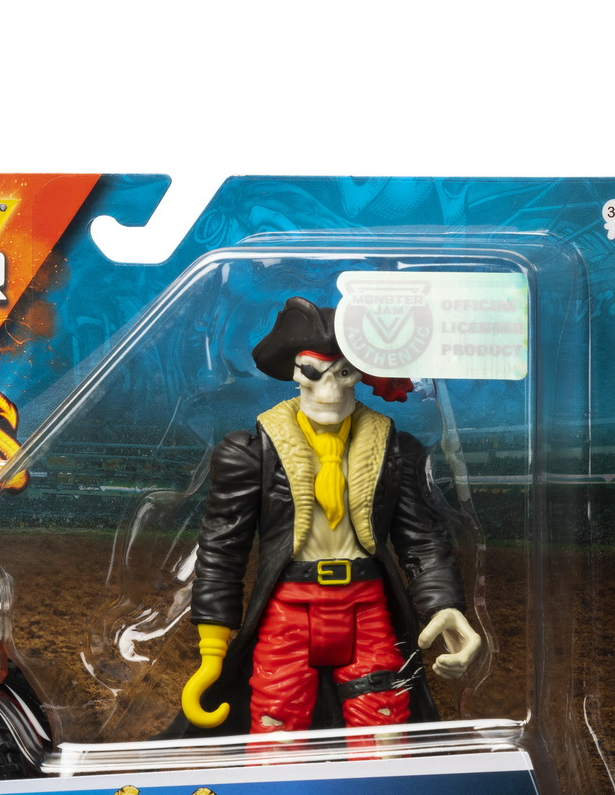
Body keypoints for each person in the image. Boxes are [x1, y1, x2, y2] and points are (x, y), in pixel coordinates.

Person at [181, 297, 481, 736]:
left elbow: (421, 538)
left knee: (384, 721)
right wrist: (212, 648)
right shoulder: (250, 453)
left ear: (361, 374)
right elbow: (223, 547)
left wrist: (445, 605)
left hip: (367, 607)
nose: (330, 391)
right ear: (294, 373)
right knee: (276, 719)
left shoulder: (396, 451)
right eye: (313, 372)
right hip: (289, 607)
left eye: (344, 373)